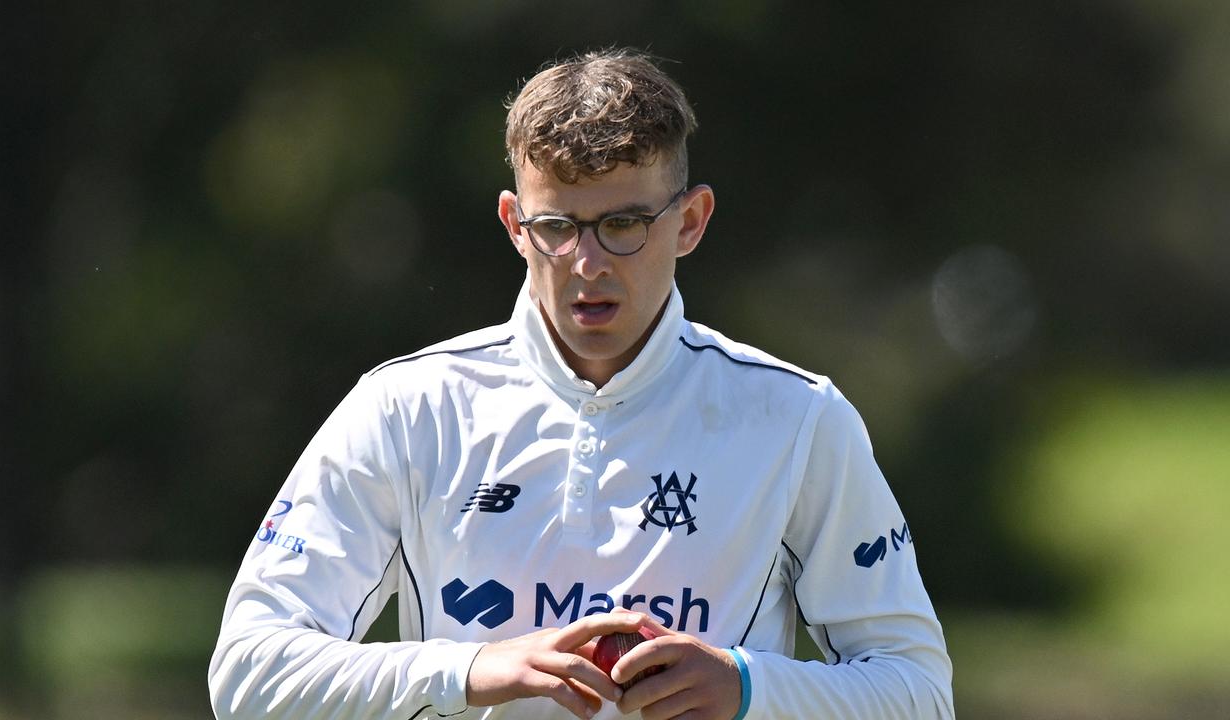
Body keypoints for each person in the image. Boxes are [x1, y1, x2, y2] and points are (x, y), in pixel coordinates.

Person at [209, 48, 954, 720]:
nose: (588, 263)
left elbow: (917, 693)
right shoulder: (407, 408)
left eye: (625, 223)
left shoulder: (797, 417)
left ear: (690, 222)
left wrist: (747, 687)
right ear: (513, 223)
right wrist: (468, 669)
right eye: (558, 226)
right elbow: (246, 676)